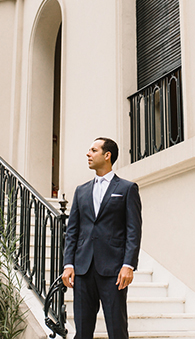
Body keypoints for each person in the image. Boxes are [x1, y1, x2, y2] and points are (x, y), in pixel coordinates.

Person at [62, 137, 142, 339]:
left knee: (117, 330)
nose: (88, 154)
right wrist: (68, 264)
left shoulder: (126, 189)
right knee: (82, 331)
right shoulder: (81, 191)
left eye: (93, 150)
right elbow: (73, 231)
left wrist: (128, 265)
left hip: (113, 270)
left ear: (107, 155)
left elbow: (133, 230)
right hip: (83, 269)